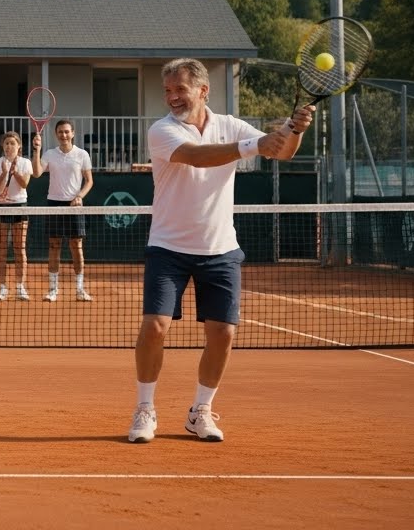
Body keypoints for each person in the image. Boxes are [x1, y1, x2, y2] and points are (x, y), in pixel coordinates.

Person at [127, 58, 313, 445]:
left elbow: (282, 152)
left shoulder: (230, 124)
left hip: (220, 249)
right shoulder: (161, 130)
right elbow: (197, 156)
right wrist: (255, 144)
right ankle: (145, 408)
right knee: (155, 326)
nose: (172, 97)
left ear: (203, 91)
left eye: (180, 89)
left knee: (223, 333)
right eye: (167, 90)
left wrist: (293, 130)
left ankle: (201, 411)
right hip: (168, 247)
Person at [30, 119, 95, 302]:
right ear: (56, 134)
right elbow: (36, 173)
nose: (64, 135)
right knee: (54, 246)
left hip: (75, 206)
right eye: (60, 132)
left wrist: (79, 196)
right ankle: (53, 290)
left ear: (73, 133)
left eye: (67, 132)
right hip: (54, 204)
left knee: (76, 246)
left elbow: (89, 181)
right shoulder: (50, 154)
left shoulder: (82, 154)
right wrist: (36, 150)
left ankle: (80, 290)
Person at [0, 131, 32, 302]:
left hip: (19, 206)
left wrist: (15, 172)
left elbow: (25, 184)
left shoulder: (25, 162)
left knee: (19, 249)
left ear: (19, 146)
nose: (9, 146)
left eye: (13, 143)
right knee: (0, 250)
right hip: (0, 208)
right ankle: (2, 287)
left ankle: (20, 287)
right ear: (2, 146)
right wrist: (4, 173)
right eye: (6, 143)